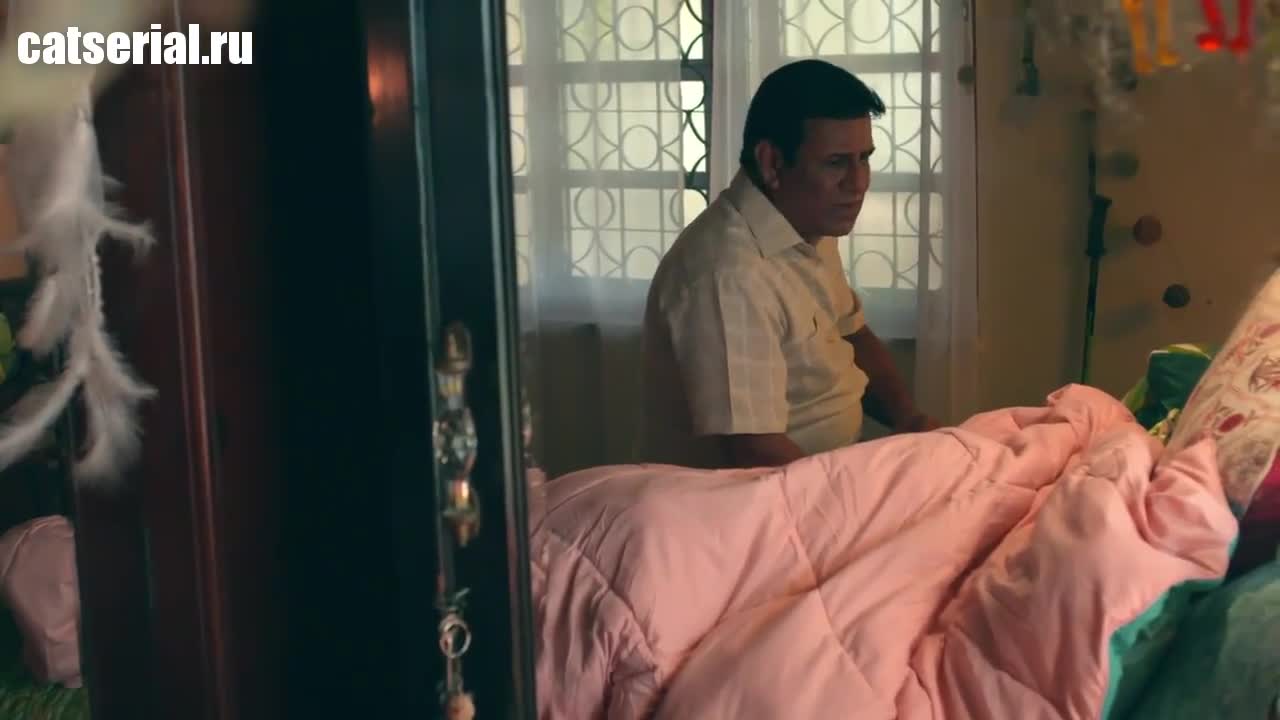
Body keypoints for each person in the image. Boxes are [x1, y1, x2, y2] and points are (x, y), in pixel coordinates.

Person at [639, 59, 939, 470]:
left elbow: (852, 334)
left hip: (825, 474)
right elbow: (754, 454)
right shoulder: (728, 275)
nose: (858, 184)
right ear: (772, 163)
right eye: (836, 163)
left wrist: (910, 420)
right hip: (761, 496)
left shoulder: (808, 222)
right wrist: (846, 499)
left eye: (864, 158)